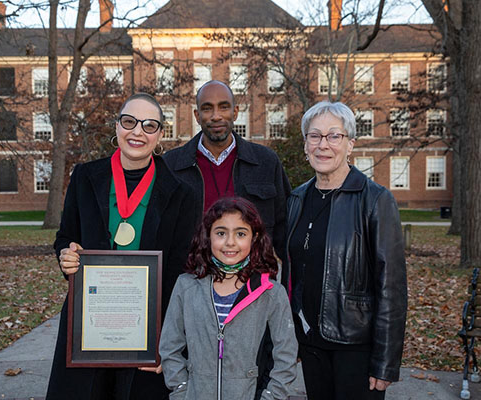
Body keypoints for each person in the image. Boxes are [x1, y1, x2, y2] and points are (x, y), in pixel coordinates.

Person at [46, 93, 198, 399]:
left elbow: (182, 269)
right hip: (90, 321)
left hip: (148, 326)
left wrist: (169, 339)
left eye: (149, 125)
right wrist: (66, 256)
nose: (137, 132)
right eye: (129, 121)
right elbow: (65, 237)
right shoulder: (85, 178)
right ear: (117, 126)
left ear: (160, 134)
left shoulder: (182, 193)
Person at [286, 101, 407, 399]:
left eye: (334, 136)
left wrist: (385, 362)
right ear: (305, 145)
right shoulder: (297, 199)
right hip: (311, 343)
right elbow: (292, 273)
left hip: (356, 348)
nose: (323, 145)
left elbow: (391, 287)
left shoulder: (375, 200)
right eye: (314, 136)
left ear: (350, 144)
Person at [159, 197, 298, 400]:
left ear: (254, 237)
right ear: (208, 236)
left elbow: (285, 355)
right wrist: (181, 391)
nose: (230, 242)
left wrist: (271, 397)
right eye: (221, 233)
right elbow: (170, 348)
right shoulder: (186, 286)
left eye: (240, 234)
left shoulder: (271, 293)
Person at [163, 80, 291, 268]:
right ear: (197, 116)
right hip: (190, 280)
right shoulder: (171, 165)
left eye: (224, 107)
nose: (216, 116)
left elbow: (285, 232)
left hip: (252, 284)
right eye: (207, 109)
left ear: (236, 112)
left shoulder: (266, 162)